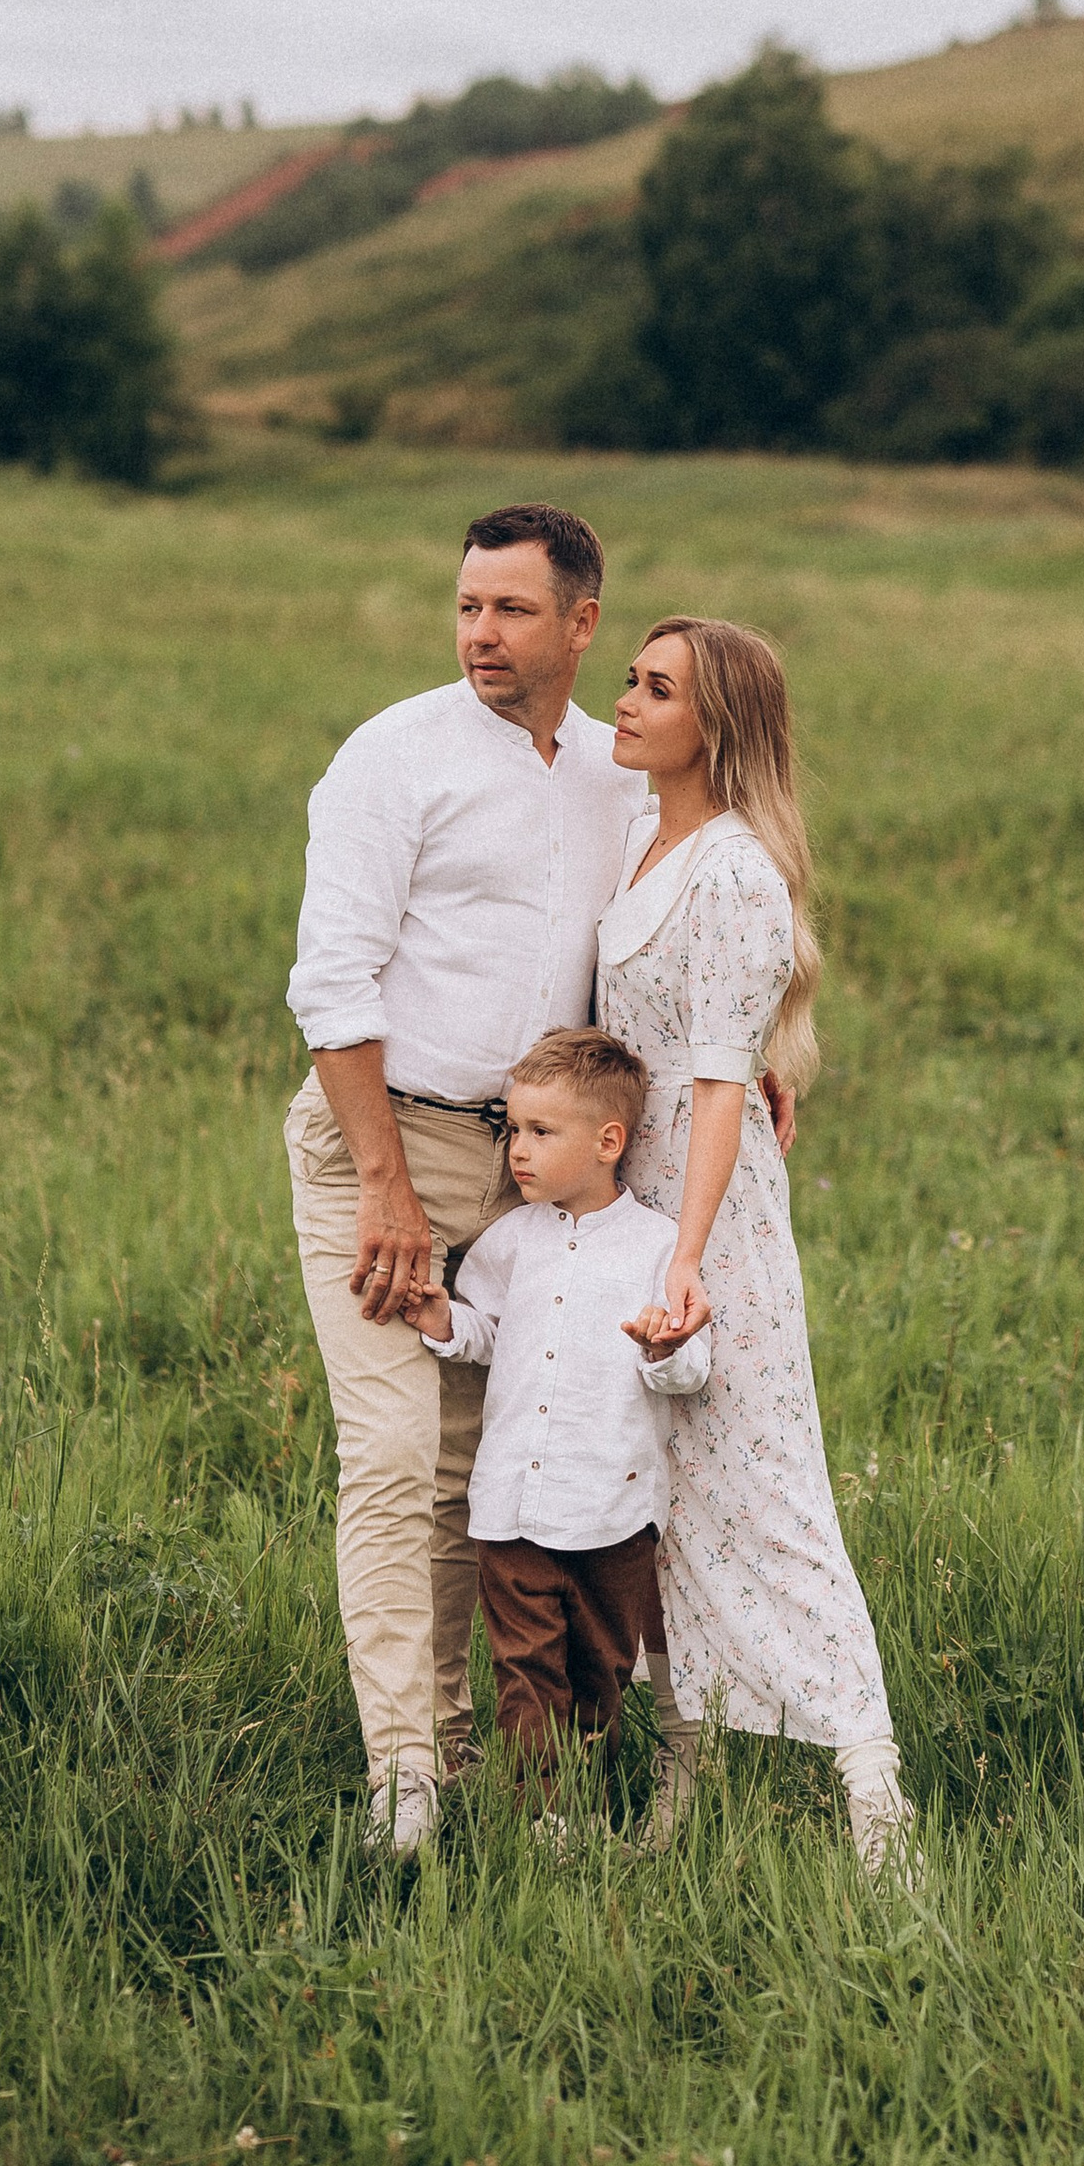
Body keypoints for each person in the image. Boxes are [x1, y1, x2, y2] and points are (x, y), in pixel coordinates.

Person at [284, 501, 642, 1856]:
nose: (482, 635)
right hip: (388, 1143)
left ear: (582, 622)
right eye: (467, 608)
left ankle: (547, 1756)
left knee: (512, 1471)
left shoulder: (618, 773)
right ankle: (409, 1778)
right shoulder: (396, 757)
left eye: (512, 610)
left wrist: (756, 1060)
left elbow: (661, 947)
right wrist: (384, 1184)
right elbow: (332, 981)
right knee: (393, 1461)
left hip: (539, 1169)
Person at [604, 615, 913, 1871]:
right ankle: (679, 1794)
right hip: (628, 1207)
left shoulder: (734, 873)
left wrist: (685, 1256)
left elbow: (721, 1082)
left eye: (654, 686)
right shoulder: (638, 835)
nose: (621, 698)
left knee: (769, 1500)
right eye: (628, 673)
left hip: (708, 1219)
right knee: (662, 1510)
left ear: (714, 725)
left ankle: (877, 1806)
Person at [404, 1026, 711, 1822]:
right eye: (513, 1129)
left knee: (598, 1671)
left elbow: (690, 1370)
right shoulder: (510, 1242)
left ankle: (589, 1799)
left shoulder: (657, 1249)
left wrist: (661, 1348)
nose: (519, 1150)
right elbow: (490, 1337)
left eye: (542, 1132)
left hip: (611, 1511)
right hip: (510, 1506)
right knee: (526, 1670)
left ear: (610, 1141)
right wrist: (446, 1321)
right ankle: (543, 1821)